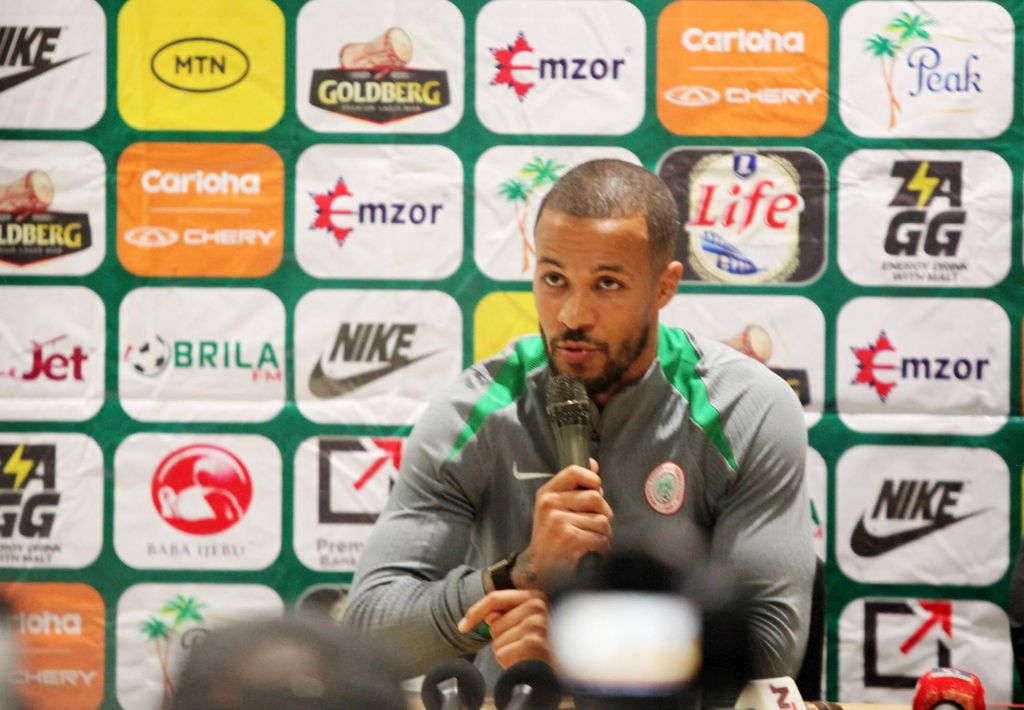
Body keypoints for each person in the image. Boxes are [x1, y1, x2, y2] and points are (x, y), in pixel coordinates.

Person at [343, 159, 815, 694]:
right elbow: (368, 631)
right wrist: (518, 571)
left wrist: (580, 644)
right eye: (553, 279)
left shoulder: (746, 408)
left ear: (664, 287)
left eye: (607, 283)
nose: (571, 314)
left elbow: (770, 644)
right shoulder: (471, 414)